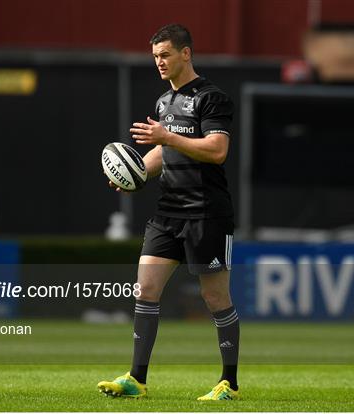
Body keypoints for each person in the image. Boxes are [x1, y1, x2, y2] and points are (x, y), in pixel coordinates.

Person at [98, 23, 239, 401]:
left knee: (215, 299)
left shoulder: (212, 98)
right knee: (145, 288)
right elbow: (165, 152)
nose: (159, 62)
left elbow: (215, 150)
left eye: (165, 55)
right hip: (168, 212)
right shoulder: (165, 102)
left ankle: (230, 383)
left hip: (206, 213)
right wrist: (137, 172)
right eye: (155, 56)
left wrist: (166, 136)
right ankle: (136, 379)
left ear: (186, 54)